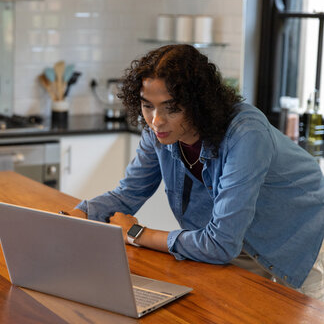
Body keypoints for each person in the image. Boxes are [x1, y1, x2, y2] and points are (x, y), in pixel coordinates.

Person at [67, 44, 324, 300]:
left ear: (200, 104)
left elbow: (221, 244)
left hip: (306, 247)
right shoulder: (158, 133)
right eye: (148, 106)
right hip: (242, 248)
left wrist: (136, 233)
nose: (156, 120)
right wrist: (76, 217)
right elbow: (128, 194)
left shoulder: (246, 134)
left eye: (172, 108)